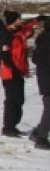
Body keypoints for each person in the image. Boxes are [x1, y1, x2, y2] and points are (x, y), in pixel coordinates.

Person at [0, 11, 39, 138]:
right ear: (13, 21)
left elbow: (28, 27)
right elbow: (4, 55)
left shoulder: (19, 32)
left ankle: (14, 125)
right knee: (12, 100)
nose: (21, 21)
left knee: (20, 100)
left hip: (19, 71)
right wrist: (15, 69)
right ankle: (8, 127)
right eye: (19, 19)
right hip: (10, 72)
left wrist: (37, 19)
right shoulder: (6, 34)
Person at [29, 17, 49, 150]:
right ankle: (41, 138)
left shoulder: (42, 39)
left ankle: (38, 132)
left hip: (44, 79)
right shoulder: (47, 41)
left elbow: (35, 59)